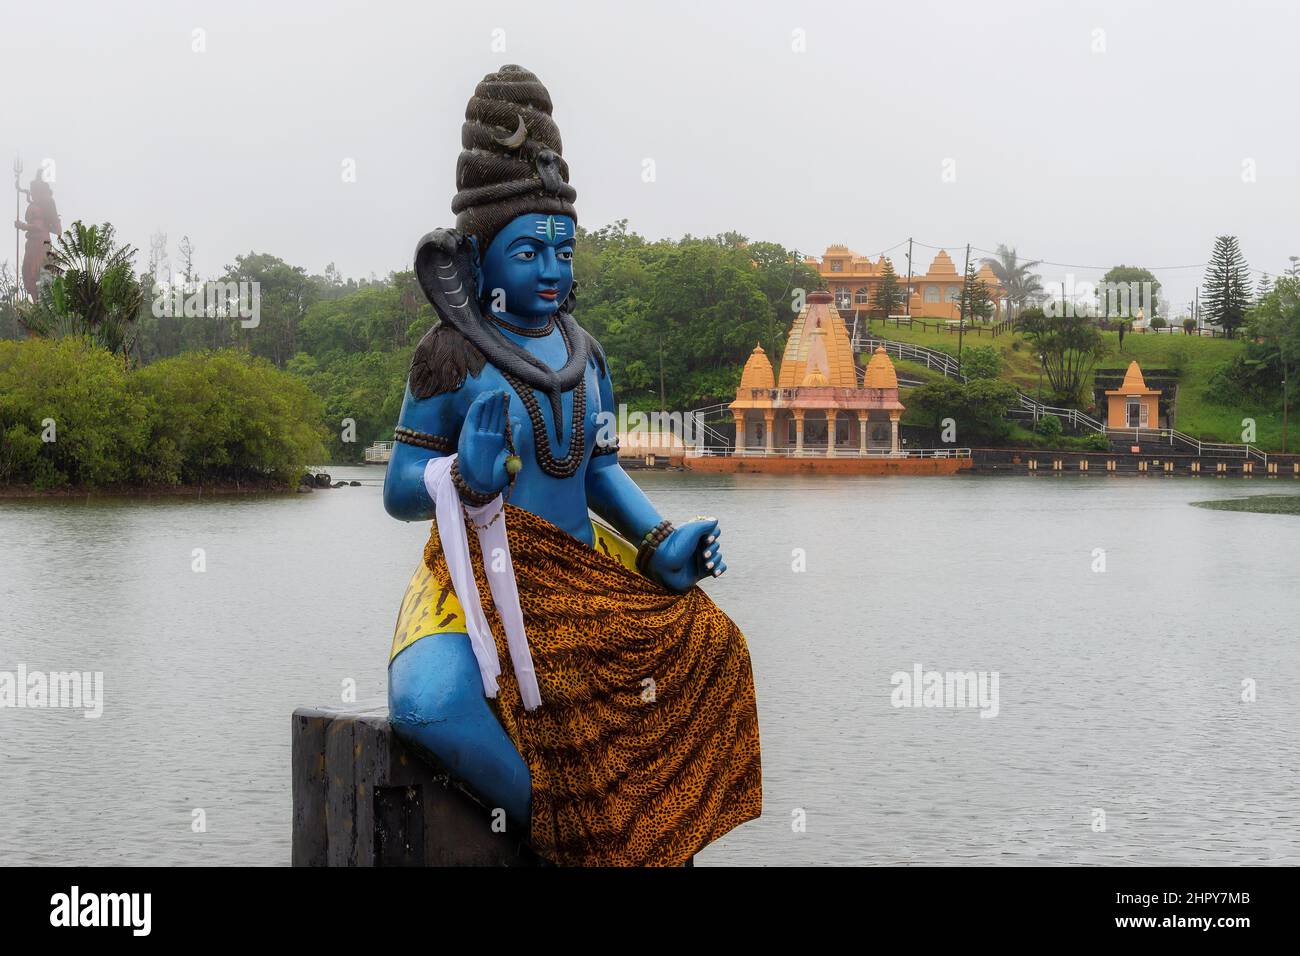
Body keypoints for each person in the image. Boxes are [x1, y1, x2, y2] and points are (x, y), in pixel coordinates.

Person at [382, 65, 762, 866]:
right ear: (477, 264)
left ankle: (646, 834)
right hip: (485, 580)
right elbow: (397, 491)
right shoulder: (450, 354)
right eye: (528, 252)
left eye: (562, 250)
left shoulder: (585, 355)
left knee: (712, 643)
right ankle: (563, 828)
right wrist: (464, 478)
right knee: (429, 703)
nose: (551, 270)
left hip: (582, 572)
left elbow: (594, 472)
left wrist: (661, 542)